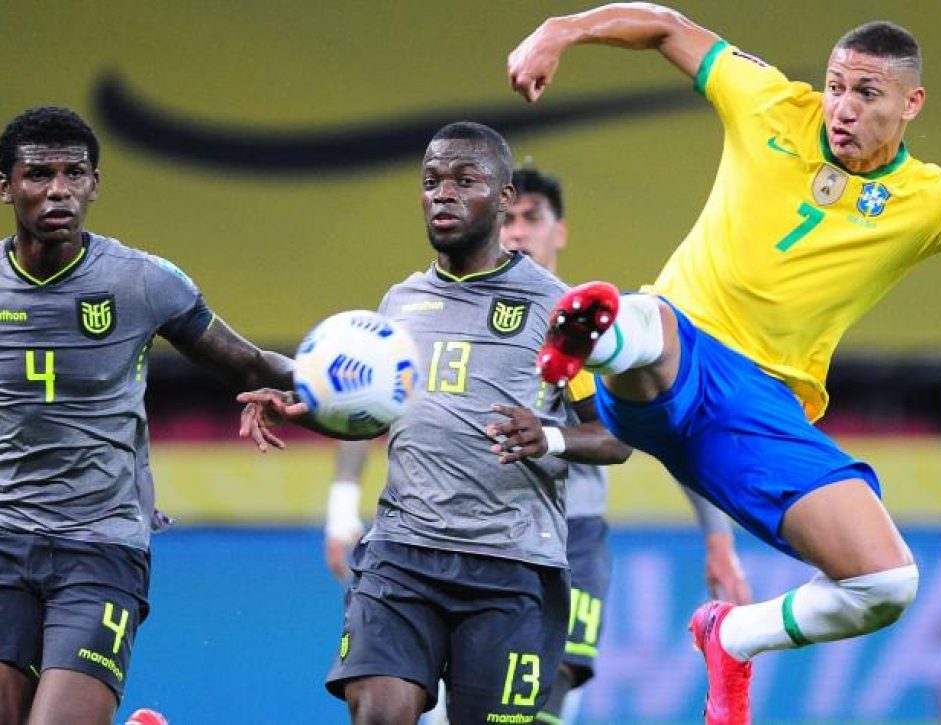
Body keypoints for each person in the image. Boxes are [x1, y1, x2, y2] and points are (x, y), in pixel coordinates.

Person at [505, 4, 941, 722]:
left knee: (887, 581)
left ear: (910, 104)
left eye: (867, 93)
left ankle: (734, 634)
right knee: (651, 322)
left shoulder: (932, 199)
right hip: (680, 353)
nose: (842, 106)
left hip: (759, 411)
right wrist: (559, 29)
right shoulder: (770, 101)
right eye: (836, 86)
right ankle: (599, 333)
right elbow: (666, 25)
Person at [322, 165, 752, 723]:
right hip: (439, 538)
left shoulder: (592, 323)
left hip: (567, 542)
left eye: (534, 218)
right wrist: (340, 510)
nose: (521, 231)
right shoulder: (425, 305)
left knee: (545, 708)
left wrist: (717, 536)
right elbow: (376, 403)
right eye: (514, 217)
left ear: (560, 231)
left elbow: (656, 423)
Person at [240, 122, 633, 725]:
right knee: (377, 709)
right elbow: (378, 418)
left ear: (504, 198)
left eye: (464, 180)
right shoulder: (398, 305)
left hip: (510, 566)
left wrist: (547, 436)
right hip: (405, 554)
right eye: (431, 181)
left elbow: (612, 436)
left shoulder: (556, 308)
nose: (442, 194)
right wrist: (311, 411)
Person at [0, 106, 297, 724]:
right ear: (6, 187)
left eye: (74, 173)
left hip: (101, 547)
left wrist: (340, 393)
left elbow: (248, 364)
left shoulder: (142, 282)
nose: (59, 189)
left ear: (95, 184)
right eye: (38, 175)